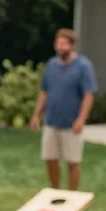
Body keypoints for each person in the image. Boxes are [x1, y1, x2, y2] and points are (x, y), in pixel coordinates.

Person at [30, 29, 97, 191]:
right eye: (57, 44)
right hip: (51, 121)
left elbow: (89, 95)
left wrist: (81, 119)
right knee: (49, 158)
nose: (60, 47)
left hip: (71, 122)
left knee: (72, 161)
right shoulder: (52, 65)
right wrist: (36, 115)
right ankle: (54, 191)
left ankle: (71, 195)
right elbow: (44, 92)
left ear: (72, 46)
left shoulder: (83, 66)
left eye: (63, 44)